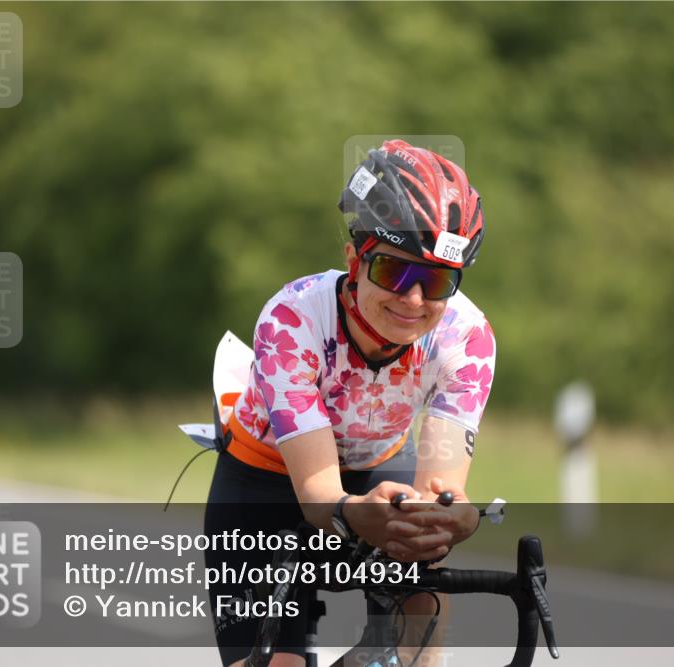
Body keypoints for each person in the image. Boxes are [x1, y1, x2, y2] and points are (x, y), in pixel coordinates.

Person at [204, 139, 496, 667]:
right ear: (353, 261)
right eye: (392, 272)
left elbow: (442, 489)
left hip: (377, 469)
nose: (412, 300)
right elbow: (319, 496)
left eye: (434, 281)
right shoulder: (291, 321)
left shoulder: (467, 338)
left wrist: (452, 518)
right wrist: (355, 513)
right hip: (265, 483)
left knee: (420, 619)